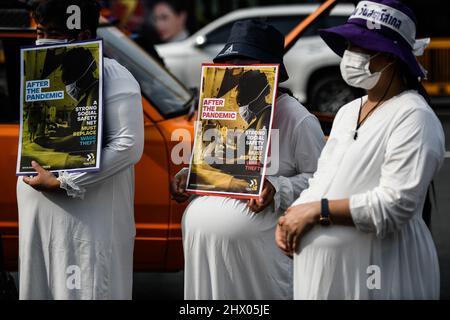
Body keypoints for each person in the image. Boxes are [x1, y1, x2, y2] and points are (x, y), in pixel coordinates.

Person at [276, 0, 445, 299]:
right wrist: (292, 215)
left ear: (393, 58)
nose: (352, 56)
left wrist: (316, 212)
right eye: (351, 46)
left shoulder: (414, 116)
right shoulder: (349, 111)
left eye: (364, 48)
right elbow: (322, 179)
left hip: (381, 271)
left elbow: (395, 205)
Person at [171, 20, 325, 299]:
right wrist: (189, 174)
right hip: (206, 256)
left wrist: (277, 187)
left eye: (245, 59)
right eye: (231, 60)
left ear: (271, 68)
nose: (237, 68)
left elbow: (321, 182)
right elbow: (212, 163)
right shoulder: (220, 112)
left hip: (259, 264)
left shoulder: (299, 119)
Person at [17, 0, 144, 299]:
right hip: (40, 213)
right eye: (40, 31)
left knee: (85, 288)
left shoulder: (114, 76)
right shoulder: (42, 75)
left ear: (83, 33)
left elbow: (129, 146)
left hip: (86, 218)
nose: (43, 39)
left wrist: (65, 181)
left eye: (54, 32)